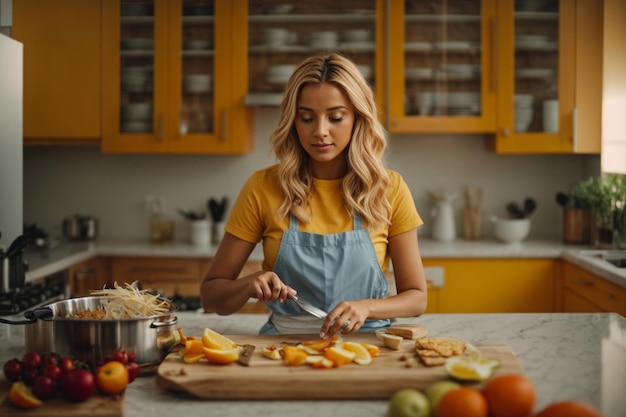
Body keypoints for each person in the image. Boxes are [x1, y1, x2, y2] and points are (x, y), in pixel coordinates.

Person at [200, 53, 427, 338]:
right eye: (307, 118)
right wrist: (250, 283)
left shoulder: (389, 189)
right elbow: (211, 296)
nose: (320, 131)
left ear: (358, 117)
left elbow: (417, 297)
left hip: (369, 345)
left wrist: (367, 308)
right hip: (283, 348)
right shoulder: (262, 187)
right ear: (292, 121)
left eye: (335, 117)